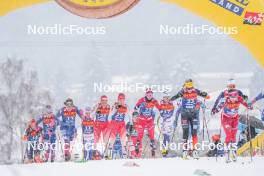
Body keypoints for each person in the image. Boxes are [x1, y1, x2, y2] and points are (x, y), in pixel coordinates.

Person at [170, 79, 209, 159]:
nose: (189, 89)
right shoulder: (183, 91)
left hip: (194, 115)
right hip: (184, 115)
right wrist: (170, 100)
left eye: (191, 86)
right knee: (185, 133)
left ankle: (194, 151)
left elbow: (206, 96)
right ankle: (184, 151)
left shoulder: (196, 91)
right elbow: (175, 96)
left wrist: (205, 95)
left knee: (194, 133)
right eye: (188, 87)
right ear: (185, 85)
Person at [211, 82, 250, 162]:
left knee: (234, 136)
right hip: (225, 118)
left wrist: (249, 105)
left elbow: (247, 104)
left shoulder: (239, 97)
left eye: (235, 97)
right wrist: (214, 110)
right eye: (232, 97)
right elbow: (218, 106)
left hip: (234, 118)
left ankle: (234, 153)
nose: (233, 98)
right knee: (229, 134)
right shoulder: (225, 98)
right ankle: (227, 153)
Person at [134, 88, 160, 157]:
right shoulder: (142, 100)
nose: (149, 95)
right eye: (148, 94)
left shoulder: (154, 100)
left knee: (151, 132)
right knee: (140, 133)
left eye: (151, 94)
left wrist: (162, 111)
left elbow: (159, 107)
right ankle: (137, 144)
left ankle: (152, 144)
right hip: (142, 119)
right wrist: (136, 107)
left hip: (149, 119)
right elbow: (136, 106)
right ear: (146, 94)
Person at [108, 93, 130, 158]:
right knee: (113, 139)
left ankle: (124, 153)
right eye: (120, 99)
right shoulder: (115, 105)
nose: (121, 100)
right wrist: (115, 108)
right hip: (114, 123)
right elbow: (110, 113)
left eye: (123, 99)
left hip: (121, 123)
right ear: (118, 99)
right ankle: (109, 153)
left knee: (123, 139)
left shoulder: (125, 106)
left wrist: (130, 123)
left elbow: (129, 114)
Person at [159, 92, 175, 157]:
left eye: (168, 97)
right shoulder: (161, 104)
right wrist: (164, 115)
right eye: (166, 98)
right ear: (163, 98)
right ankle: (164, 151)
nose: (167, 99)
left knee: (168, 137)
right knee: (164, 136)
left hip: (169, 121)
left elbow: (171, 113)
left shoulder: (171, 104)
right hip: (162, 122)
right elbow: (161, 114)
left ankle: (166, 150)